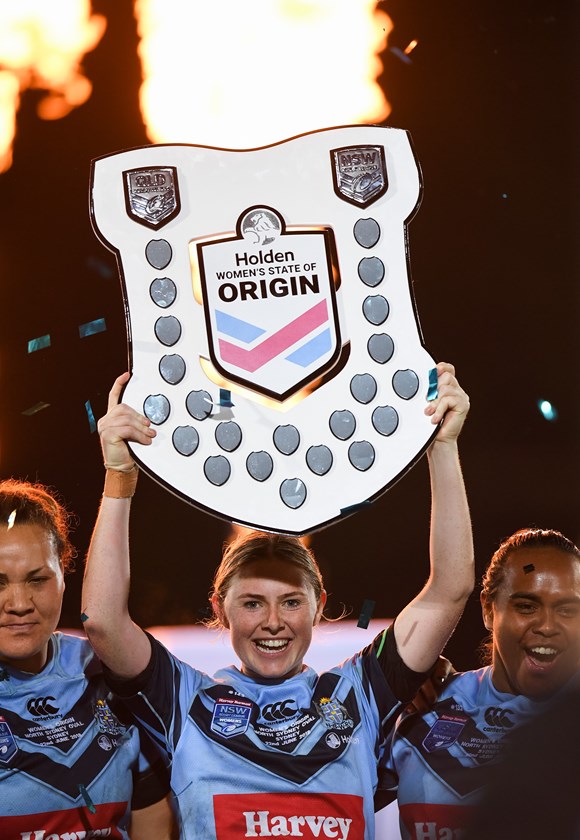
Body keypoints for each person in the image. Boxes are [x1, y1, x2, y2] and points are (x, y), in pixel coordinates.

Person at [82, 361, 473, 839]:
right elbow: (101, 621)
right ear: (219, 608)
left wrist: (442, 446)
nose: (273, 622)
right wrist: (119, 476)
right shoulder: (184, 701)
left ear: (319, 605)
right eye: (252, 603)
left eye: (290, 602)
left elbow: (449, 590)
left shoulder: (361, 695)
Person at [0, 479, 176, 839]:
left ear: (64, 577)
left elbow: (151, 809)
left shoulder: (107, 669)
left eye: (37, 580)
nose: (19, 604)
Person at [382, 526, 580, 840]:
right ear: (489, 609)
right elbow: (322, 798)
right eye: (526, 606)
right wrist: (398, 683)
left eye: (568, 610)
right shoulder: (423, 707)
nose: (547, 626)